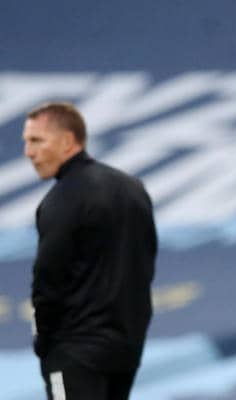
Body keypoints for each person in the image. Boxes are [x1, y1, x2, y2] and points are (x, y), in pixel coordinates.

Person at [22, 102, 158, 400]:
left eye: (36, 141)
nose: (28, 152)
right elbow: (145, 262)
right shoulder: (132, 188)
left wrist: (45, 344)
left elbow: (47, 278)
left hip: (74, 351)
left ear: (67, 141)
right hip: (126, 346)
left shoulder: (61, 200)